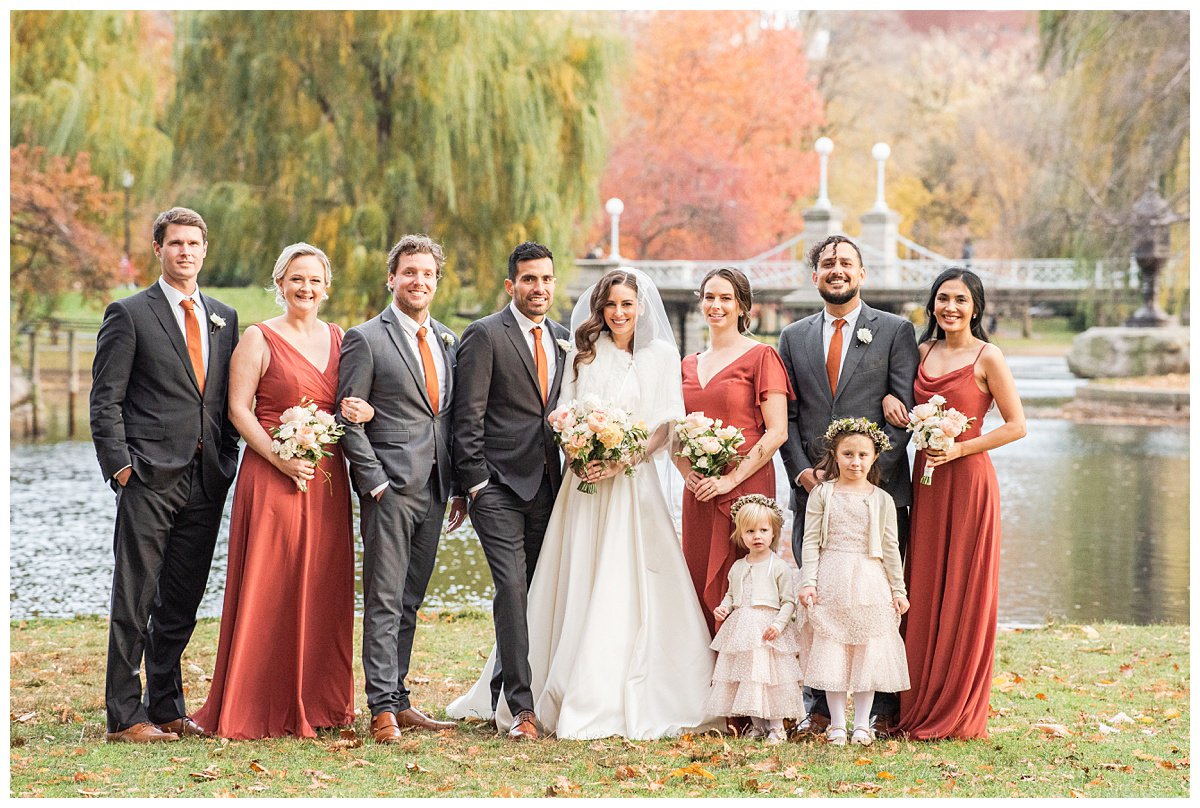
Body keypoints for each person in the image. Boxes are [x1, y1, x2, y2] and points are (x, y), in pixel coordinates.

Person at [449, 268, 718, 740]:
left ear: (641, 309)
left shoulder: (659, 355)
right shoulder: (584, 352)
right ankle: (533, 689)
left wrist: (622, 458)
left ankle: (629, 687)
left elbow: (665, 425)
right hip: (581, 485)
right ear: (600, 307)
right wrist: (579, 450)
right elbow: (562, 412)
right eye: (611, 305)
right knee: (568, 578)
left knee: (631, 578)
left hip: (633, 485)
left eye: (627, 305)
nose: (619, 313)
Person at [192, 244, 373, 739]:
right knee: (271, 583)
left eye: (314, 280)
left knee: (322, 581)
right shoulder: (258, 337)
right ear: (280, 283)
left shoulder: (341, 338)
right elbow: (237, 409)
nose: (306, 288)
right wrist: (279, 455)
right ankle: (254, 700)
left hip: (326, 478)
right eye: (296, 279)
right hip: (271, 475)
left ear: (326, 287)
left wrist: (362, 413)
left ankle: (320, 701)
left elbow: (351, 403)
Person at [90, 206, 240, 742]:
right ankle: (124, 715)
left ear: (204, 249)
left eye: (193, 243)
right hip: (148, 477)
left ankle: (167, 705)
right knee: (134, 598)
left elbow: (224, 399)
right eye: (175, 243)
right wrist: (122, 469)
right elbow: (105, 400)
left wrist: (227, 459)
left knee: (181, 599)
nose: (185, 252)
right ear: (159, 249)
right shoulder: (129, 314)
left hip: (206, 478)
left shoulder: (224, 316)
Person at [777, 234, 918, 734]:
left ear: (862, 274)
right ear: (814, 275)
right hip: (812, 490)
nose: (837, 270)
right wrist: (803, 472)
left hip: (874, 495)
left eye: (846, 263)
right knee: (816, 595)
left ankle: (878, 710)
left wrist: (866, 477)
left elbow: (903, 416)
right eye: (827, 264)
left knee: (874, 600)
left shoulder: (896, 331)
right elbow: (788, 416)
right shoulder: (792, 337)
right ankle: (818, 707)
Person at [336, 234, 468, 744]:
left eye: (428, 273)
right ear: (392, 278)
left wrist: (456, 486)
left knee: (411, 598)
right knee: (385, 599)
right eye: (409, 272)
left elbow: (448, 419)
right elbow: (348, 416)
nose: (419, 281)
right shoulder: (365, 338)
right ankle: (381, 709)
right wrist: (373, 484)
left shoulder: (448, 341)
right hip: (389, 490)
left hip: (435, 488)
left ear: (437, 281)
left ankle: (401, 697)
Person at [446, 242, 571, 740]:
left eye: (545, 279)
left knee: (538, 594)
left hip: (549, 486)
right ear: (510, 285)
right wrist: (473, 483)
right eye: (529, 280)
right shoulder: (484, 335)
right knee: (512, 588)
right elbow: (466, 417)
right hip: (495, 486)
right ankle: (521, 710)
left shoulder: (563, 339)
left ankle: (503, 685)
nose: (538, 288)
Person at [895, 268, 1026, 740]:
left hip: (968, 480)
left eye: (961, 300)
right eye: (943, 299)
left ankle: (956, 707)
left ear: (976, 307)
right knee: (926, 582)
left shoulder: (989, 356)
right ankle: (918, 702)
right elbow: (906, 405)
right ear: (932, 305)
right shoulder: (920, 351)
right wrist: (899, 409)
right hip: (926, 483)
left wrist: (960, 447)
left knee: (964, 587)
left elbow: (1016, 426)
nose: (951, 307)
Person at [679, 267, 793, 636]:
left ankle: (748, 677)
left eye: (726, 298)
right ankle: (703, 677)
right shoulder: (687, 364)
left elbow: (776, 432)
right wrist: (687, 473)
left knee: (747, 583)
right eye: (709, 297)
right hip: (699, 490)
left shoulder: (762, 357)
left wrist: (730, 479)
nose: (716, 305)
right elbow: (673, 433)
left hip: (745, 487)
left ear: (743, 306)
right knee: (699, 576)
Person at [796, 418, 910, 747]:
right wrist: (809, 582)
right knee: (833, 651)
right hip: (832, 575)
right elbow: (811, 541)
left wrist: (898, 590)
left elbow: (890, 548)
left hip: (869, 580)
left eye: (862, 454)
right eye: (848, 454)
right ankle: (837, 723)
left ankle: (862, 724)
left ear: (874, 457)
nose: (855, 461)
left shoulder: (881, 499)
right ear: (835, 454)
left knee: (866, 652)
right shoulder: (823, 494)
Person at [705, 495, 803, 746]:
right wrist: (723, 608)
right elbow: (730, 594)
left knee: (771, 678)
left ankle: (777, 726)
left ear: (773, 532)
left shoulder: (778, 566)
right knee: (748, 676)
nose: (757, 536)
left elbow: (788, 601)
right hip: (742, 629)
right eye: (750, 531)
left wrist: (778, 625)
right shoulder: (738, 565)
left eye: (763, 530)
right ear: (741, 534)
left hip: (766, 627)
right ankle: (757, 724)